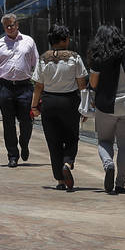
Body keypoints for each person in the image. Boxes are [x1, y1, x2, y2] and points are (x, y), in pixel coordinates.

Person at [30, 25, 88, 190]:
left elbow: (38, 86)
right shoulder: (74, 57)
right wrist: (84, 106)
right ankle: (68, 163)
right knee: (71, 137)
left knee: (53, 142)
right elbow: (82, 84)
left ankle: (60, 181)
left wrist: (34, 106)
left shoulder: (43, 58)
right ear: (63, 40)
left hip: (49, 102)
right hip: (69, 102)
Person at [88, 24, 125, 194]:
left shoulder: (99, 58)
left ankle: (108, 164)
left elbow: (93, 83)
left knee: (104, 141)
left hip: (106, 107)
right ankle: (120, 183)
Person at [0, 13, 39, 167]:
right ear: (4, 27)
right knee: (8, 123)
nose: (10, 28)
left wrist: (38, 87)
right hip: (5, 87)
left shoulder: (28, 41)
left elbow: (36, 63)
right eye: (6, 26)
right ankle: (12, 155)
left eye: (12, 24)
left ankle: (24, 143)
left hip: (25, 87)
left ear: (17, 25)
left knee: (26, 121)